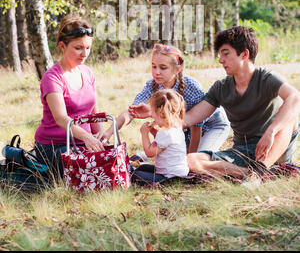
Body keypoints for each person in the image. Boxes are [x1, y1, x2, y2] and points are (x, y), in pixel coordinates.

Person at [184, 26, 300, 182]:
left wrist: (271, 132)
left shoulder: (266, 78)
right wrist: (154, 115)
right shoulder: (221, 87)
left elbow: (295, 97)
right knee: (190, 160)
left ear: (245, 54)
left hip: (274, 148)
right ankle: (249, 174)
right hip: (242, 152)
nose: (220, 60)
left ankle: (259, 171)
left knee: (291, 119)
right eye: (220, 55)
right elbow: (190, 117)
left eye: (225, 54)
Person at [102, 43, 230, 154]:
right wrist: (108, 133)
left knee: (199, 160)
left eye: (163, 68)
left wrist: (189, 160)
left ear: (177, 69)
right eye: (154, 66)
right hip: (185, 129)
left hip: (212, 125)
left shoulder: (191, 86)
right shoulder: (152, 86)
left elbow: (197, 126)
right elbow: (131, 112)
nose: (157, 72)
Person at [34, 15, 105, 177]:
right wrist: (88, 138)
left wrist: (100, 138)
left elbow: (93, 113)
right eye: (78, 48)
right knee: (92, 168)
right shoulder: (52, 77)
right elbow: (61, 118)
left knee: (110, 160)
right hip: (54, 146)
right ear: (62, 46)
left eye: (88, 47)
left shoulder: (88, 73)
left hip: (84, 143)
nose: (84, 53)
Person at [131, 89, 189, 185]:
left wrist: (144, 134)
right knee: (142, 168)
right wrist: (155, 134)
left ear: (159, 111)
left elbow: (150, 153)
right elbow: (161, 148)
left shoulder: (165, 133)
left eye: (152, 113)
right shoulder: (176, 128)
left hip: (169, 177)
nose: (152, 117)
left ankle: (164, 184)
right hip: (178, 172)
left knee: (136, 175)